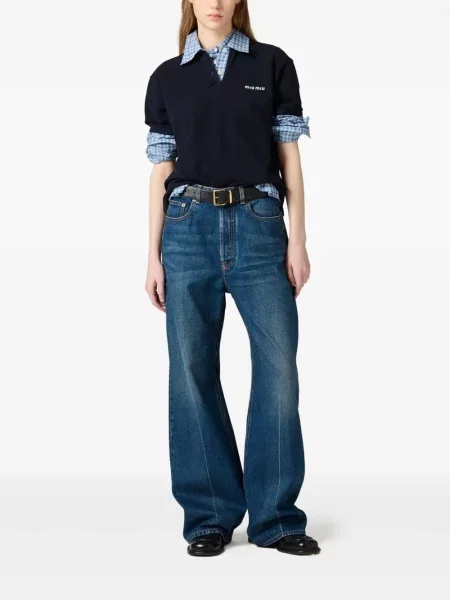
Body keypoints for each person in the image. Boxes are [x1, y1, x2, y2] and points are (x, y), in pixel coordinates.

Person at [144, 0, 320, 558]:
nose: (216, 3)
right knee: (190, 373)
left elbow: (289, 156)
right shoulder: (167, 77)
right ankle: (209, 516)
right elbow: (162, 169)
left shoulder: (271, 64)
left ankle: (276, 518)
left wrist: (298, 238)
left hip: (260, 225)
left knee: (278, 371)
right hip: (186, 228)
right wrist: (152, 254)